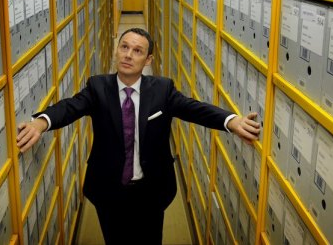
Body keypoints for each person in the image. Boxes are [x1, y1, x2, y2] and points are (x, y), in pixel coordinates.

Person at [17, 27, 261, 244]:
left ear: (148, 59)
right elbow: (69, 107)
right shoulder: (98, 87)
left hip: (151, 191)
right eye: (124, 47)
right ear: (117, 50)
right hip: (108, 190)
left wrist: (232, 121)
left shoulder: (162, 89)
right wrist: (40, 123)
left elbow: (194, 109)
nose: (128, 55)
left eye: (137, 50)